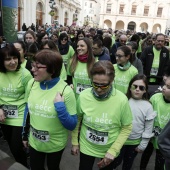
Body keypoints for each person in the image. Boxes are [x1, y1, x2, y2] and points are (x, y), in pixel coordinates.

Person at [71, 60, 132, 170]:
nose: (99, 89)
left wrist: (114, 150)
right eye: (95, 84)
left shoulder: (121, 100)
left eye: (104, 85)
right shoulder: (84, 96)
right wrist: (75, 142)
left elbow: (127, 127)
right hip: (87, 146)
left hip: (109, 149)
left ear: (112, 80)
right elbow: (77, 119)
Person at [22, 49, 77, 170]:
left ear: (52, 69)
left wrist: (60, 107)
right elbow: (27, 111)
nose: (33, 69)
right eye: (33, 65)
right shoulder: (31, 83)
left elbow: (72, 124)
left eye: (38, 67)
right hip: (34, 143)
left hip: (55, 146)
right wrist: (24, 135)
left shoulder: (65, 91)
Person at [111, 74, 156, 170]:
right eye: (134, 86)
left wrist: (143, 144)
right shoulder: (123, 100)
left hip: (134, 143)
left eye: (141, 87)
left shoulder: (148, 106)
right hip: (119, 140)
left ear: (145, 90)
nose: (137, 89)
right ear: (130, 87)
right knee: (114, 163)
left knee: (128, 165)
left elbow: (148, 127)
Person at [0, 45, 32, 167]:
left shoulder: (25, 74)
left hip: (20, 116)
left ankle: (24, 166)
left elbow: (30, 98)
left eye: (15, 58)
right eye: (8, 59)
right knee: (11, 146)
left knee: (16, 147)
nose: (13, 62)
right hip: (4, 117)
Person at [140, 75, 170, 170]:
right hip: (150, 135)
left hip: (163, 140)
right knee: (145, 156)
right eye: (165, 85)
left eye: (169, 87)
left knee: (160, 162)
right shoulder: (155, 97)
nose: (164, 87)